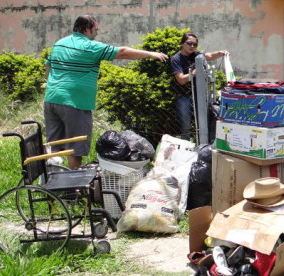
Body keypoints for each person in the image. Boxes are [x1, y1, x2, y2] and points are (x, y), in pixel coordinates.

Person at [44, 15, 168, 169]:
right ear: (87, 29)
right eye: (95, 29)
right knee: (76, 146)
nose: (97, 33)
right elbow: (122, 52)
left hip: (51, 99)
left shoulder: (59, 44)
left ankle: (51, 181)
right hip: (75, 101)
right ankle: (73, 186)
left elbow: (48, 67)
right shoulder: (90, 46)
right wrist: (151, 54)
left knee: (55, 144)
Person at [171, 32, 228, 139]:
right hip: (184, 96)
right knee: (186, 126)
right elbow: (181, 80)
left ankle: (202, 146)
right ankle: (186, 147)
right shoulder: (176, 59)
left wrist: (221, 53)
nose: (192, 46)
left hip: (199, 95)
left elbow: (210, 56)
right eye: (189, 43)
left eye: (195, 44)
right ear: (182, 43)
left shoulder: (196, 54)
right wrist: (194, 72)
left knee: (203, 124)